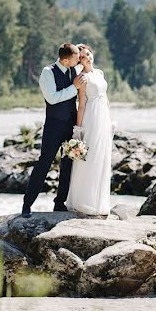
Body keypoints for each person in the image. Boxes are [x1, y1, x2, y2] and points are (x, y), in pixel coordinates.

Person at [21, 43, 86, 218]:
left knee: (68, 165)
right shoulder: (48, 72)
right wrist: (74, 88)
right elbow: (52, 98)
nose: (78, 60)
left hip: (70, 127)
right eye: (75, 58)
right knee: (43, 164)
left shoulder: (74, 69)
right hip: (53, 126)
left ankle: (59, 204)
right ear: (65, 60)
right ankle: (27, 205)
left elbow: (86, 61)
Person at [65, 44, 112, 216]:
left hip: (103, 117)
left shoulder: (99, 73)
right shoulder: (82, 78)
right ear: (80, 60)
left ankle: (100, 202)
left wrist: (110, 120)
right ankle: (84, 201)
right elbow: (82, 104)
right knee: (90, 158)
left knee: (103, 157)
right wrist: (78, 129)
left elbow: (105, 98)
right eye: (83, 56)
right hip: (91, 118)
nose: (88, 57)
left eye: (89, 54)